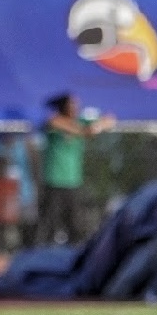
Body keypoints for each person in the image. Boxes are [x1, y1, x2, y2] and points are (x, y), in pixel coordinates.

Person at [36, 92, 114, 244]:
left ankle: (73, 255)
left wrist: (96, 127)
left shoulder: (81, 121)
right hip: (54, 181)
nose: (76, 108)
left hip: (73, 181)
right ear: (64, 106)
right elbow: (54, 123)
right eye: (72, 104)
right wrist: (84, 131)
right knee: (48, 223)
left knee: (75, 224)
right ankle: (41, 253)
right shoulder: (55, 122)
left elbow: (110, 120)